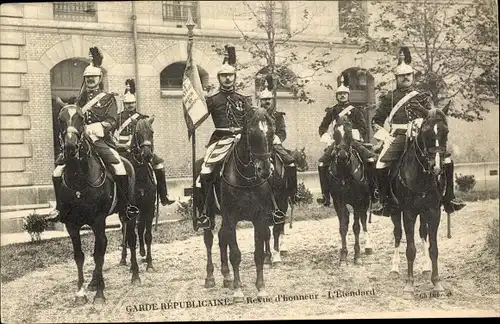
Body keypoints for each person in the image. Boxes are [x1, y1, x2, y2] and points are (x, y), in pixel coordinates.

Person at [47, 46, 139, 223]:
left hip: (100, 141)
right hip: (80, 141)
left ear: (99, 79)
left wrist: (98, 127)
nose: (90, 80)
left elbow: (113, 120)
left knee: (120, 167)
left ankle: (126, 206)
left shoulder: (108, 98)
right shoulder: (80, 99)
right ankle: (60, 208)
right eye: (87, 78)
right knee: (58, 171)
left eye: (93, 77)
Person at [370, 46, 466, 216]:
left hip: (422, 136)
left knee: (447, 161)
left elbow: (433, 115)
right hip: (398, 137)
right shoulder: (389, 98)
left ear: (413, 76)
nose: (406, 78)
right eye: (402, 76)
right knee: (380, 164)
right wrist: (386, 138)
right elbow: (376, 122)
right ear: (396, 78)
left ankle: (449, 198)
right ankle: (384, 202)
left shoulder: (423, 96)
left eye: (408, 75)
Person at [195, 45, 253, 230]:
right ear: (219, 78)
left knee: (262, 166)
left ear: (235, 77)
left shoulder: (243, 99)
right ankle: (205, 213)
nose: (227, 78)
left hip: (242, 140)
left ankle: (268, 206)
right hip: (221, 140)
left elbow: (250, 120)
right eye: (224, 76)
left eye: (230, 75)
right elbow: (198, 116)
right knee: (204, 172)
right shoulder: (212, 100)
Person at [317, 72, 378, 206]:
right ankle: (325, 196)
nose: (342, 96)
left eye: (344, 94)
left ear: (348, 95)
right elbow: (322, 128)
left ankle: (374, 192)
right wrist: (327, 138)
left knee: (370, 159)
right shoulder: (332, 111)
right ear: (337, 96)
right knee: (322, 163)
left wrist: (353, 135)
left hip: (353, 141)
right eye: (340, 94)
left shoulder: (356, 111)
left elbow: (363, 128)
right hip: (337, 142)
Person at [114, 79, 175, 206]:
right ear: (124, 104)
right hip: (122, 150)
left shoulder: (142, 118)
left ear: (135, 103)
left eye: (132, 103)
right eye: (128, 103)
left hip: (139, 150)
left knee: (159, 164)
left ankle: (163, 195)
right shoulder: (117, 118)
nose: (130, 106)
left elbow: (148, 137)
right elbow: (111, 136)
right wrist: (119, 145)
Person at [258, 74, 298, 202]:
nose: (267, 102)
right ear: (260, 101)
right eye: (264, 100)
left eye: (269, 99)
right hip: (258, 147)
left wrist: (278, 138)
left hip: (274, 145)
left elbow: (282, 132)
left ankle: (293, 193)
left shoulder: (278, 116)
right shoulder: (255, 115)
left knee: (290, 162)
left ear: (272, 100)